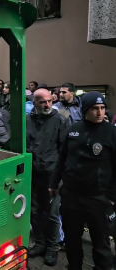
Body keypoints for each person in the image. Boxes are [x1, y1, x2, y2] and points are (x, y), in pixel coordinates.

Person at [49, 91, 116, 270]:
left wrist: (111, 196)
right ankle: (74, 266)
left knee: (101, 242)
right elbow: (62, 159)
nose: (100, 112)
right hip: (72, 196)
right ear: (86, 109)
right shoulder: (74, 129)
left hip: (98, 198)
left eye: (102, 108)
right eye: (95, 108)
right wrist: (54, 184)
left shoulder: (111, 132)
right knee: (72, 238)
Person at [26, 89, 69, 266]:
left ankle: (52, 248)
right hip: (34, 173)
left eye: (49, 101)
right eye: (42, 102)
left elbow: (65, 151)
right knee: (34, 211)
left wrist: (60, 177)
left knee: (52, 214)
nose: (47, 105)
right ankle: (40, 243)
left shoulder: (60, 120)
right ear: (34, 103)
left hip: (52, 175)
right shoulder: (28, 121)